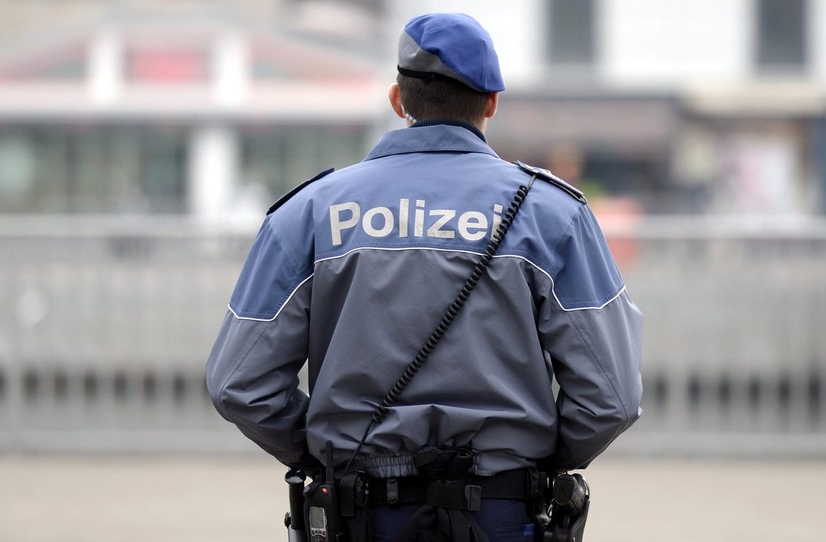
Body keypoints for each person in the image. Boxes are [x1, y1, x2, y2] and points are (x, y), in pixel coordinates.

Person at [206, 12, 642, 542]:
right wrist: (534, 460)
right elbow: (613, 397)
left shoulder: (311, 214)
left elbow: (238, 383)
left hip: (360, 516)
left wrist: (327, 451)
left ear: (397, 100)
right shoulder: (552, 214)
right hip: (503, 515)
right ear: (491, 103)